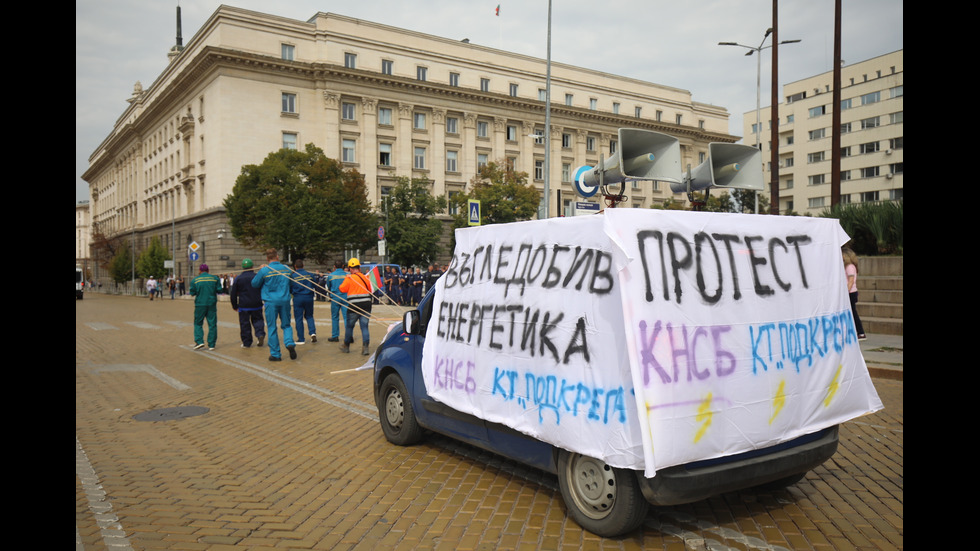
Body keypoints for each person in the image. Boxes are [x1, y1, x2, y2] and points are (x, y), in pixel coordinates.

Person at [252, 249, 297, 362]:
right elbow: (292, 282)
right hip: (285, 300)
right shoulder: (286, 268)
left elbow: (254, 284)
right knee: (286, 325)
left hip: (271, 301)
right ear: (277, 257)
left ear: (267, 259)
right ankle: (289, 343)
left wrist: (261, 271)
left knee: (272, 327)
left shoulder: (265, 270)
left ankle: (276, 354)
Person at [339, 257, 373, 355]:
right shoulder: (366, 277)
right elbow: (370, 290)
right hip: (367, 304)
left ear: (350, 268)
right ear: (359, 267)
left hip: (354, 305)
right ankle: (365, 348)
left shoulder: (349, 278)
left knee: (350, 326)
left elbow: (342, 289)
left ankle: (346, 346)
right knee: (364, 327)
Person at [230, 258, 266, 348]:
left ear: (242, 267)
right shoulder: (257, 276)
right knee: (258, 320)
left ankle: (247, 343)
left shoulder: (238, 278)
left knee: (245, 324)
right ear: (252, 267)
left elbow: (233, 293)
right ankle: (260, 334)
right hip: (256, 303)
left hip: (244, 305)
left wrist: (234, 305)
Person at [190, 264, 220, 350]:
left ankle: (199, 341)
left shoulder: (195, 280)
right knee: (212, 324)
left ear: (200, 271)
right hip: (211, 304)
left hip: (200, 304)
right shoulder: (215, 279)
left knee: (198, 323)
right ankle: (212, 344)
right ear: (208, 270)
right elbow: (219, 290)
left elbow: (192, 293)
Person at [290, 259, 317, 344]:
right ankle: (312, 333)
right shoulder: (310, 274)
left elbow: (290, 288)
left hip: (298, 298)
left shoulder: (293, 276)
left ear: (295, 267)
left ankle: (301, 339)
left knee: (298, 318)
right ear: (303, 265)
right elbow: (315, 284)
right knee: (309, 316)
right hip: (309, 297)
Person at [842, 247, 867, 340]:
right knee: (851, 313)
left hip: (850, 293)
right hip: (850, 292)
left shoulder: (850, 267)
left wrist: (846, 292)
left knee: (853, 313)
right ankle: (855, 332)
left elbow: (851, 281)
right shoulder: (849, 266)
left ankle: (861, 332)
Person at [326, 261, 348, 342]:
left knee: (335, 317)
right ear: (342, 266)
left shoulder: (331, 275)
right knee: (346, 317)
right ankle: (348, 336)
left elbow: (328, 286)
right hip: (345, 297)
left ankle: (335, 336)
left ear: (334, 266)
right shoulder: (347, 275)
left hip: (335, 297)